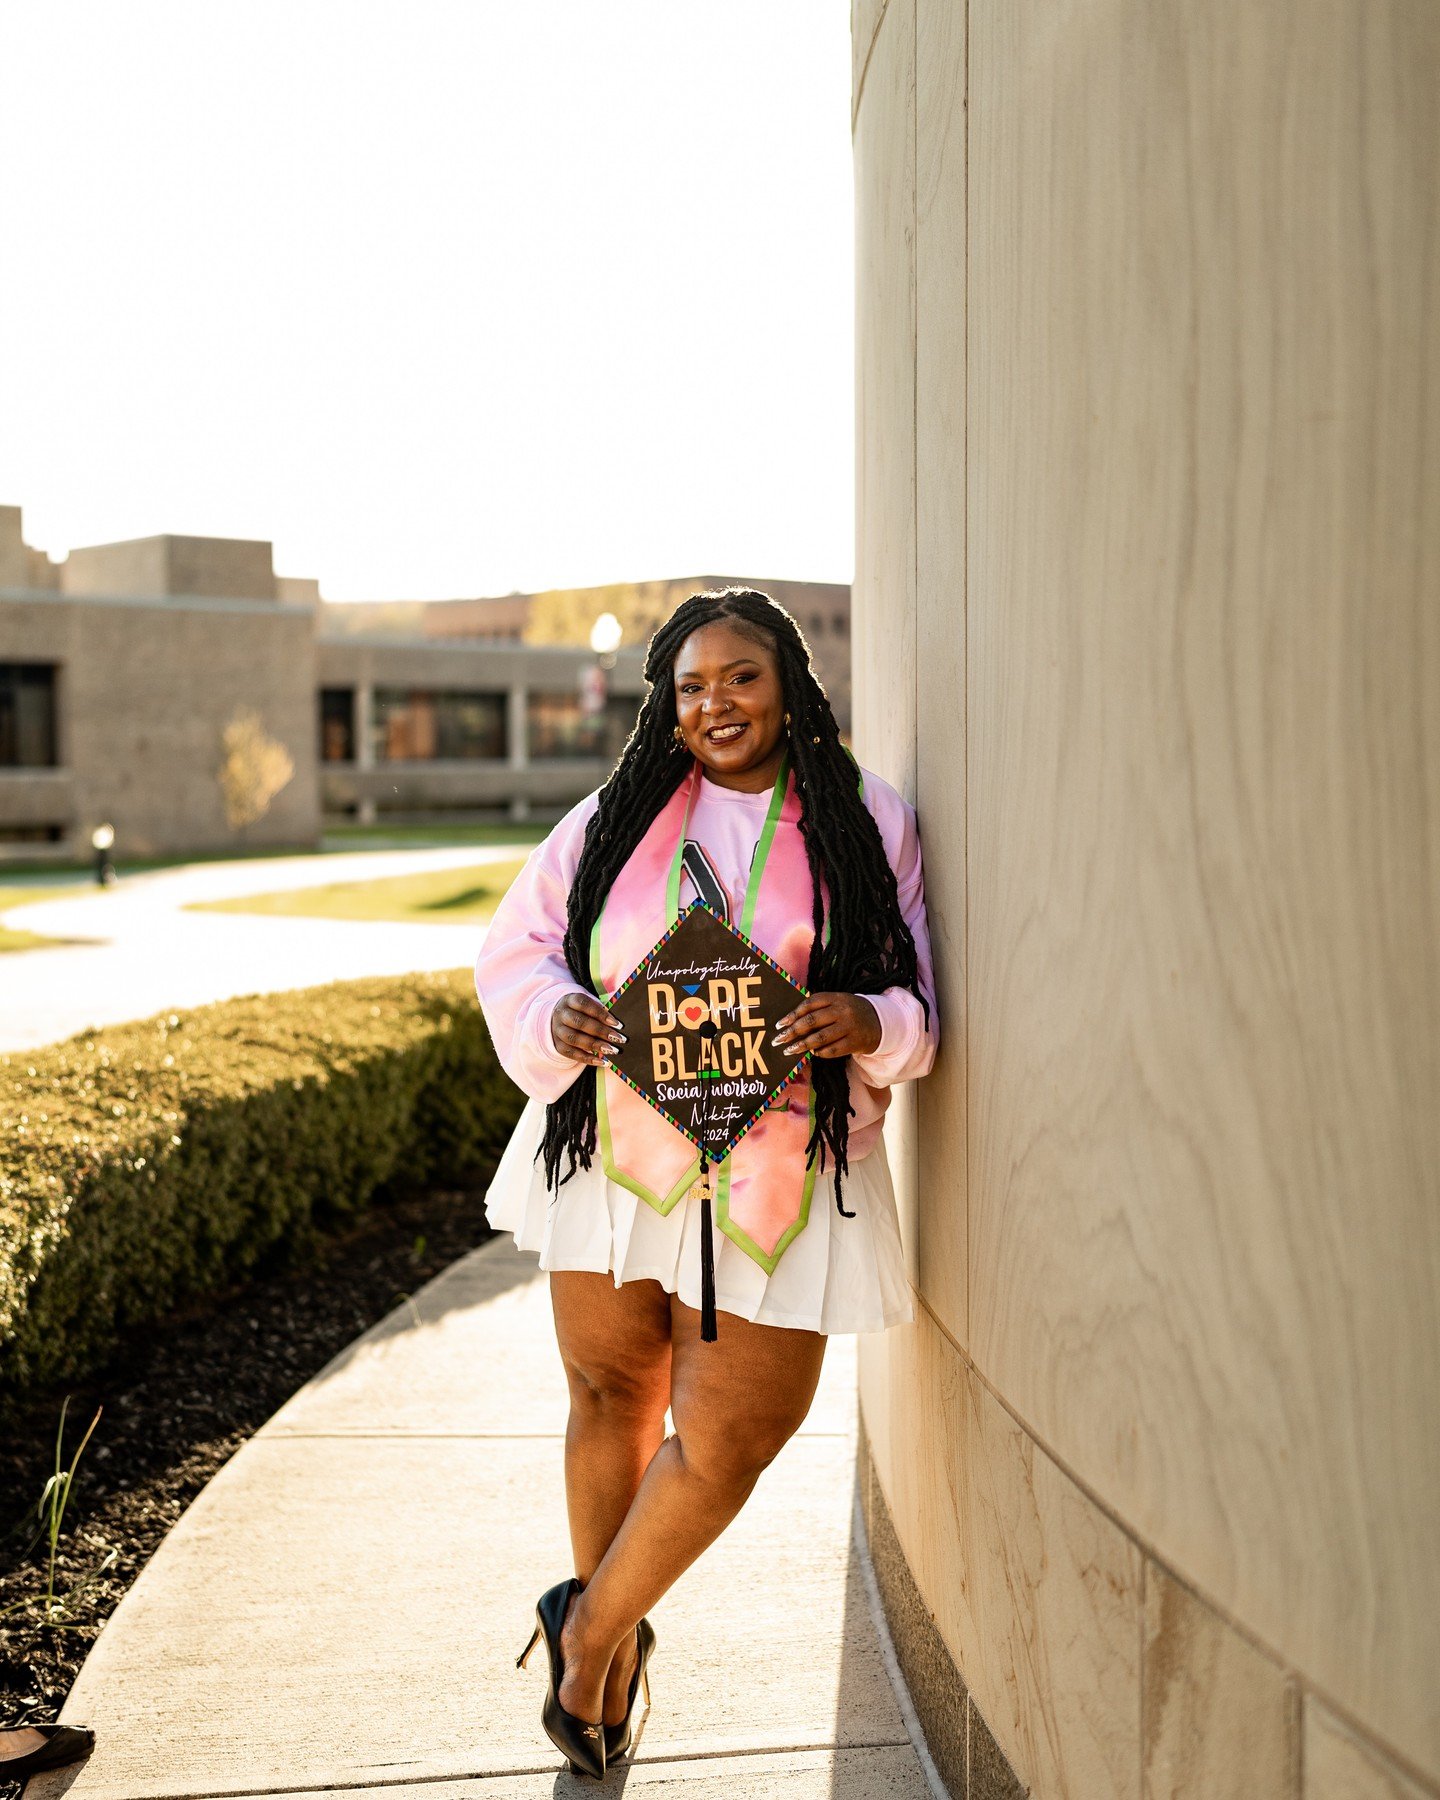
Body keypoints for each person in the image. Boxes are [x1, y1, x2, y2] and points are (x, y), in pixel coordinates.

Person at [474, 587, 937, 1779]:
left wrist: (865, 1017)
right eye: (690, 686)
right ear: (665, 706)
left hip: (780, 1167)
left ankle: (583, 1626)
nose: (715, 703)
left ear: (788, 682)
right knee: (606, 1394)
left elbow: (916, 999)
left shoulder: (864, 818)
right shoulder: (620, 815)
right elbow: (516, 950)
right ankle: (610, 1673)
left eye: (739, 677)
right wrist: (554, 1012)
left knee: (729, 1438)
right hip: (618, 1159)